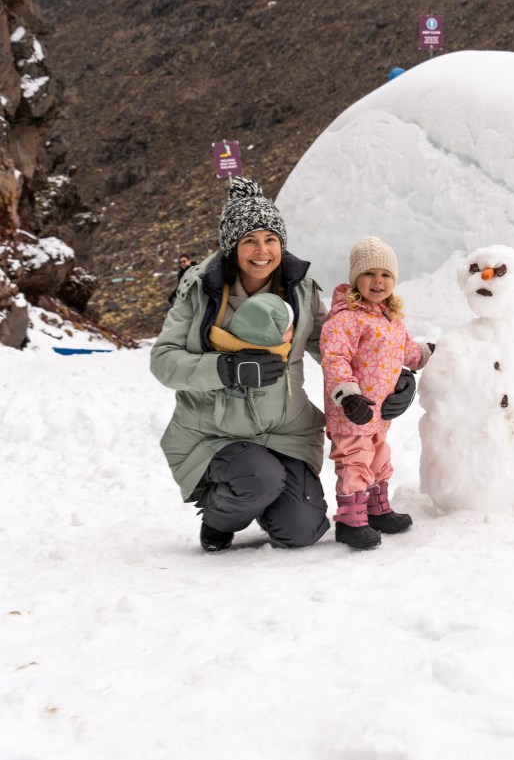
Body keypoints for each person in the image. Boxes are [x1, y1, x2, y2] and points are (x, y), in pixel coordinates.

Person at [151, 177, 332, 551]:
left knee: (301, 530)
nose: (261, 251)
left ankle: (264, 497)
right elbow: (163, 361)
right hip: (215, 433)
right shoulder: (201, 291)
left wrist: (387, 376)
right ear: (232, 247)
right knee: (259, 477)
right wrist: (224, 369)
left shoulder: (301, 290)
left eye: (270, 240)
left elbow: (336, 347)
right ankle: (221, 516)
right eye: (249, 240)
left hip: (286, 431)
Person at [320, 236, 434, 550]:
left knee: (379, 459)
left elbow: (405, 350)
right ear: (356, 278)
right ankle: (350, 520)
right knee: (355, 461)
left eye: (385, 275)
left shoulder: (390, 318)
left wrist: (428, 353)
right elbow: (335, 358)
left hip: (380, 413)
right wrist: (348, 395)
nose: (378, 281)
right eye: (370, 274)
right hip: (352, 410)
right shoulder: (345, 319)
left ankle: (376, 508)